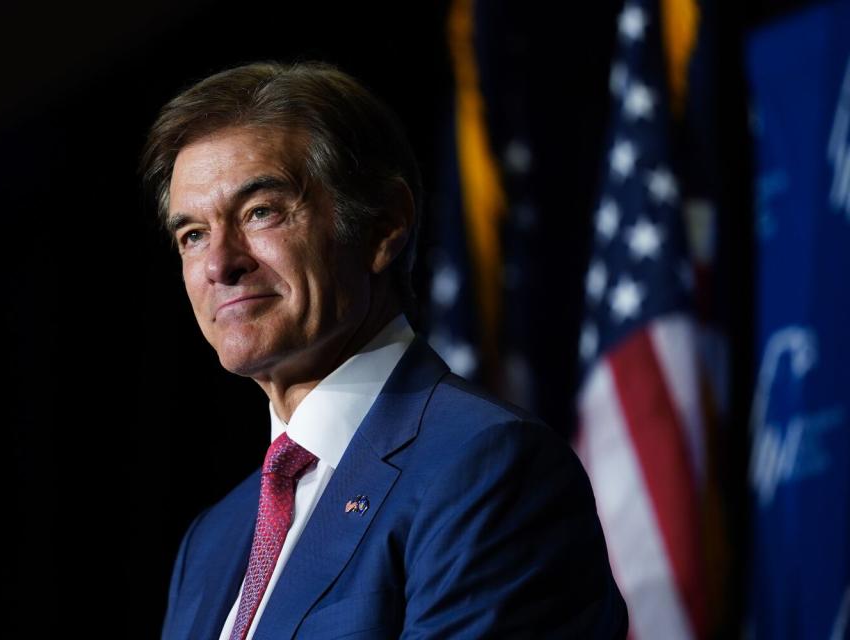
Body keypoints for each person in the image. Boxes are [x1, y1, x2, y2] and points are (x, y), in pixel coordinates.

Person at [141, 61, 627, 639]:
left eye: (260, 212)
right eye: (192, 234)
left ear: (383, 226)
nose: (220, 264)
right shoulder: (213, 540)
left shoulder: (485, 467)